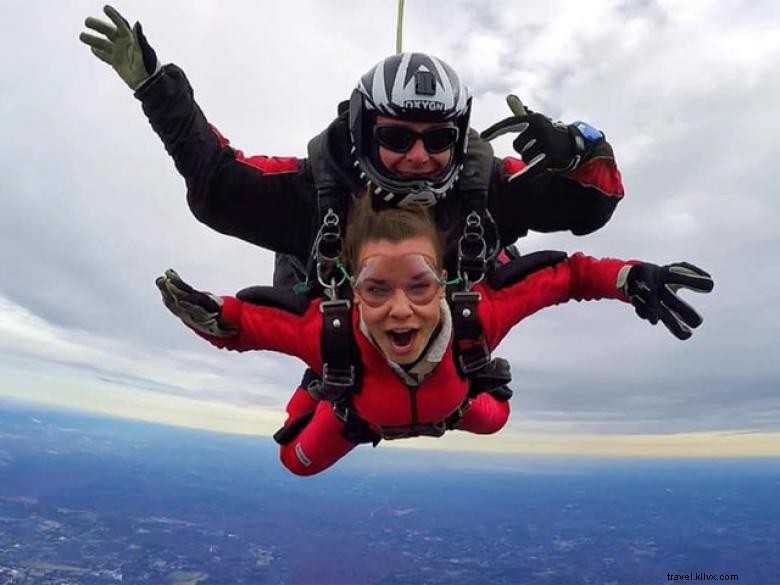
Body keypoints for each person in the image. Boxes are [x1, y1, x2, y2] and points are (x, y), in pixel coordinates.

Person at [80, 5, 627, 407]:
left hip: (452, 350)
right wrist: (155, 87)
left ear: (459, 139)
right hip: (343, 349)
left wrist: (580, 148)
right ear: (363, 129)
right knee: (306, 441)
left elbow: (592, 207)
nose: (418, 157)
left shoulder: (483, 189)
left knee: (479, 406)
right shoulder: (317, 192)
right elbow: (217, 180)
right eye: (396, 135)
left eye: (438, 140)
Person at [156, 195, 713, 476]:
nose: (401, 310)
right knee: (295, 461)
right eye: (376, 290)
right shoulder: (330, 329)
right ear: (353, 290)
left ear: (444, 281)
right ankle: (322, 384)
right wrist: (212, 319)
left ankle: (340, 384)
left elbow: (566, 276)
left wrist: (630, 277)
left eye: (420, 287)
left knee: (495, 417)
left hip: (453, 400)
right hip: (359, 413)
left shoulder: (481, 311)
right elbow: (248, 324)